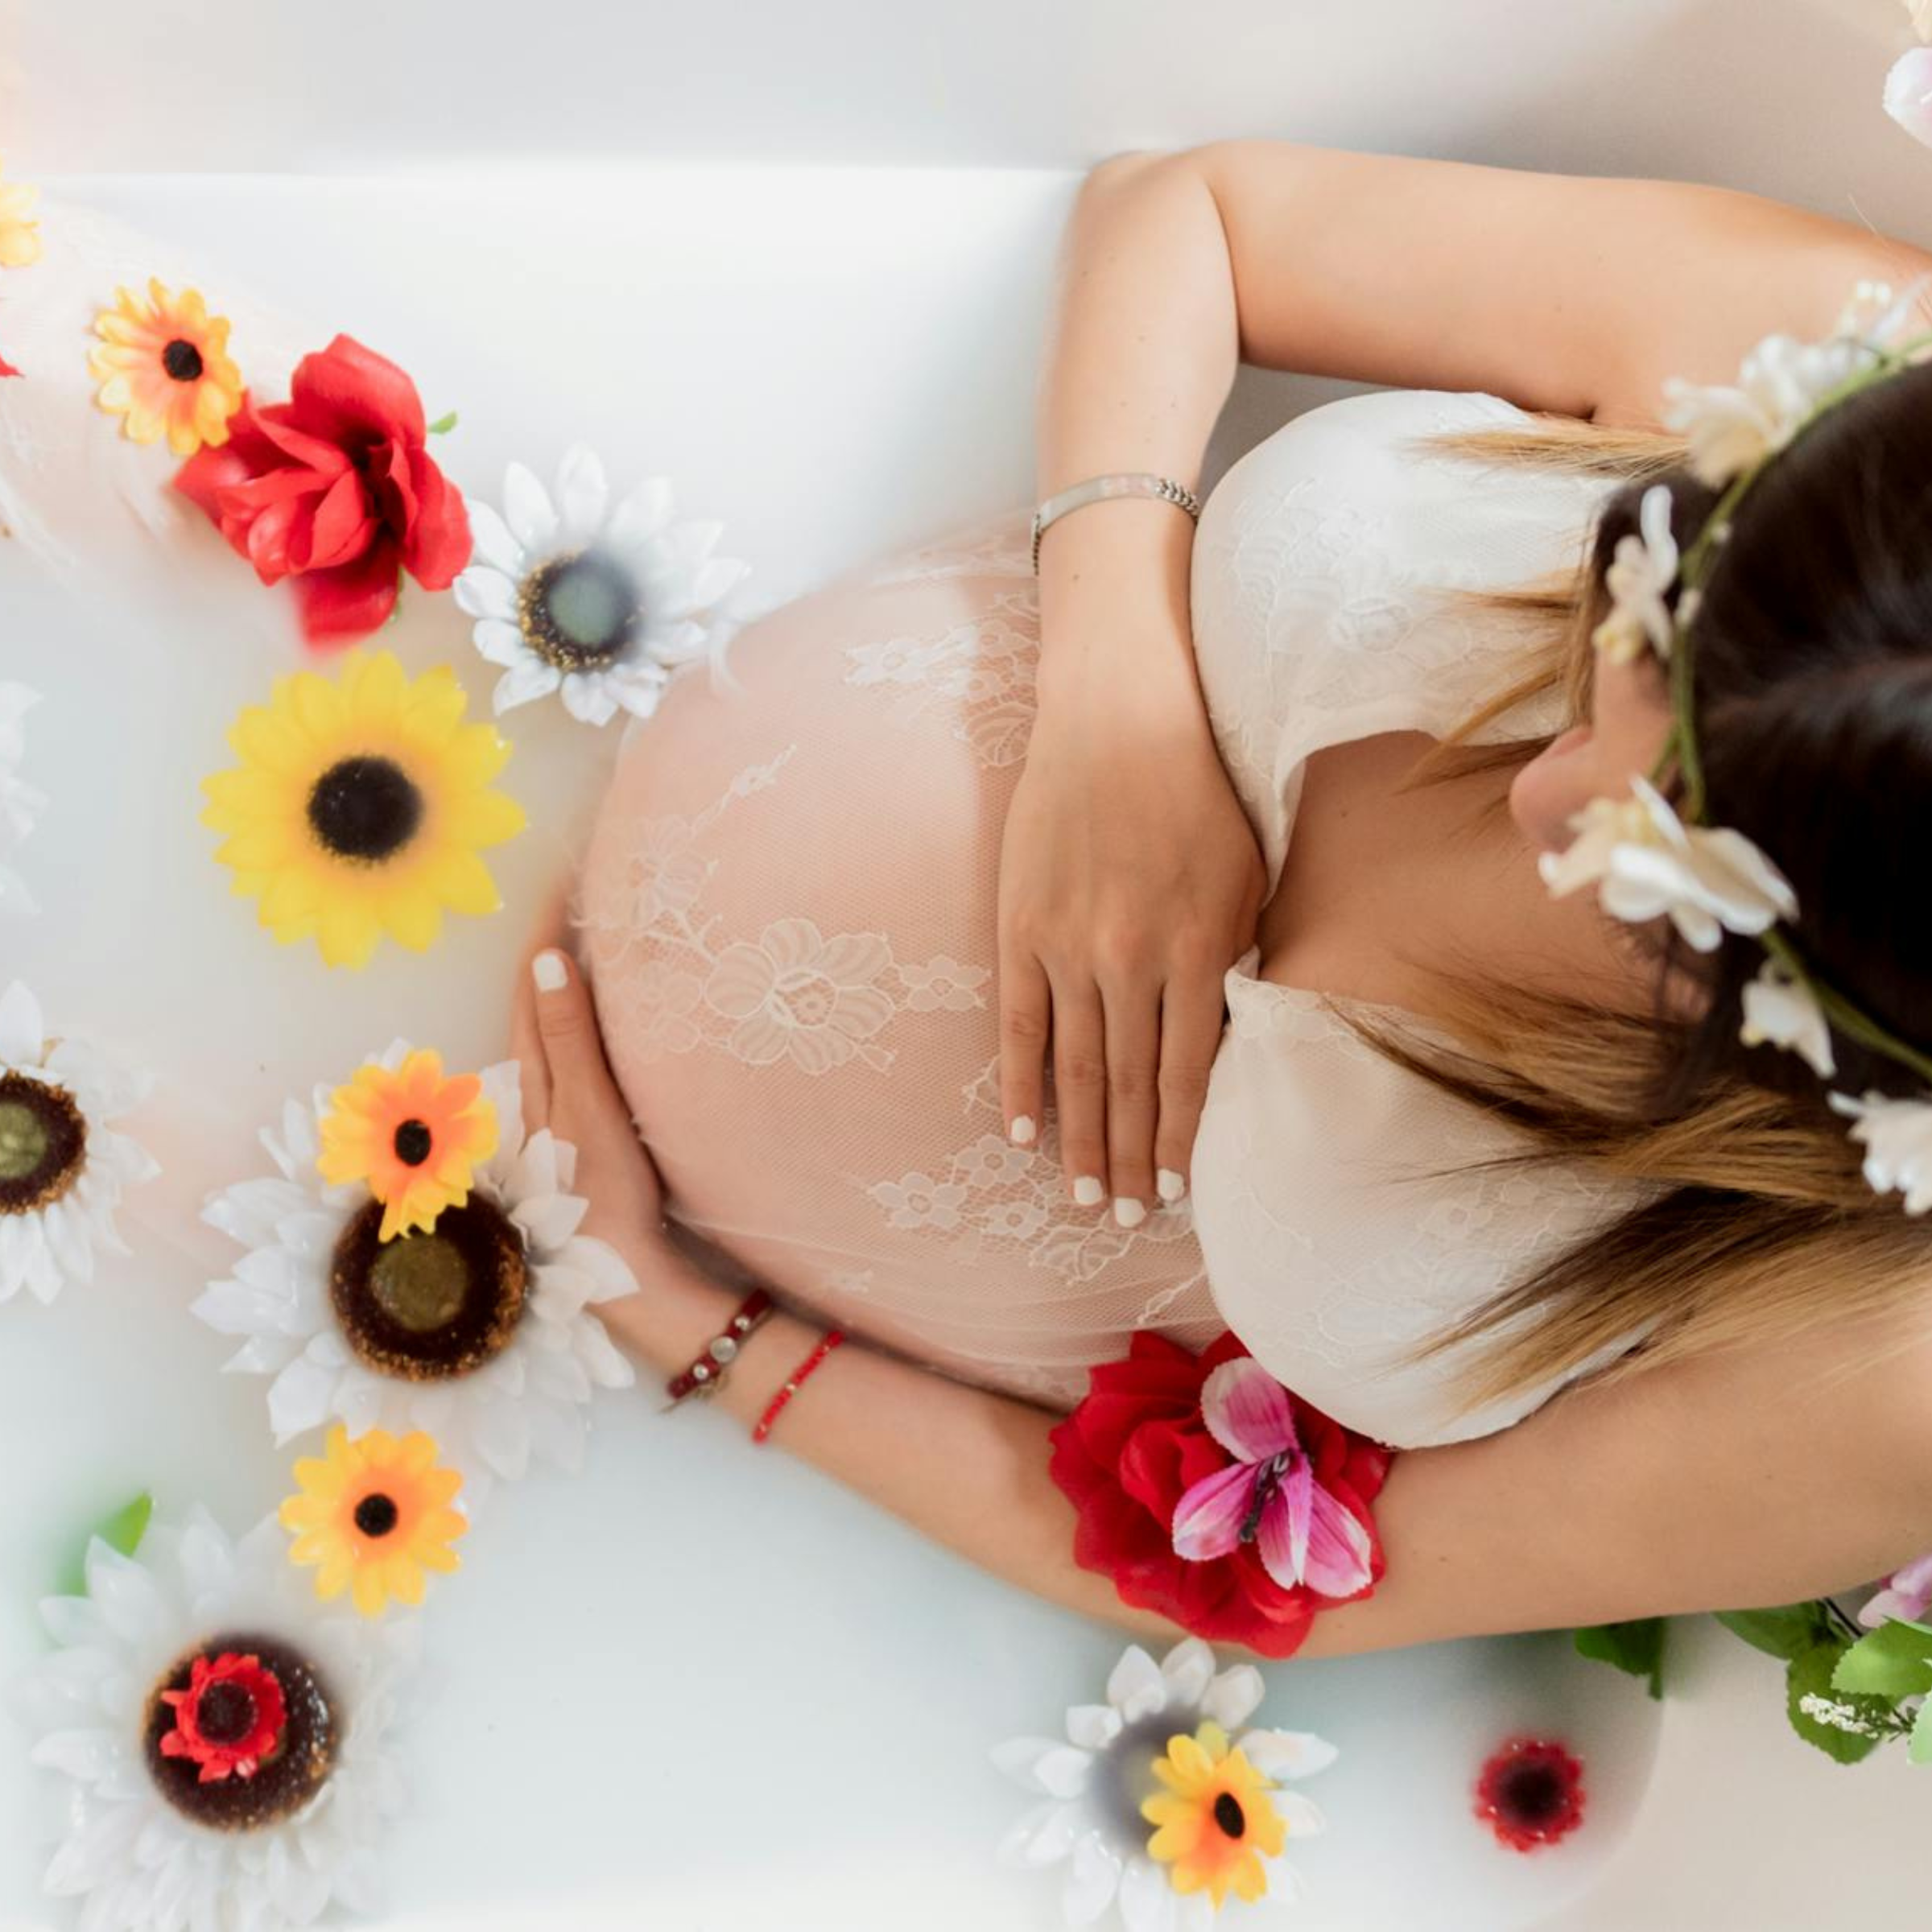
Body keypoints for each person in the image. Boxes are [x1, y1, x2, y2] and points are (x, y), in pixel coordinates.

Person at [514, 140, 1932, 1660]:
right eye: (1627, 630)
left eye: (1647, 904)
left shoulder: (1901, 1372)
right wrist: (1116, 689)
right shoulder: (1883, 439)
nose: (1536, 798)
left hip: (619, 1314)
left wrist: (682, 1319)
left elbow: (1306, 1585)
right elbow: (1184, 210)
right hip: (602, 659)